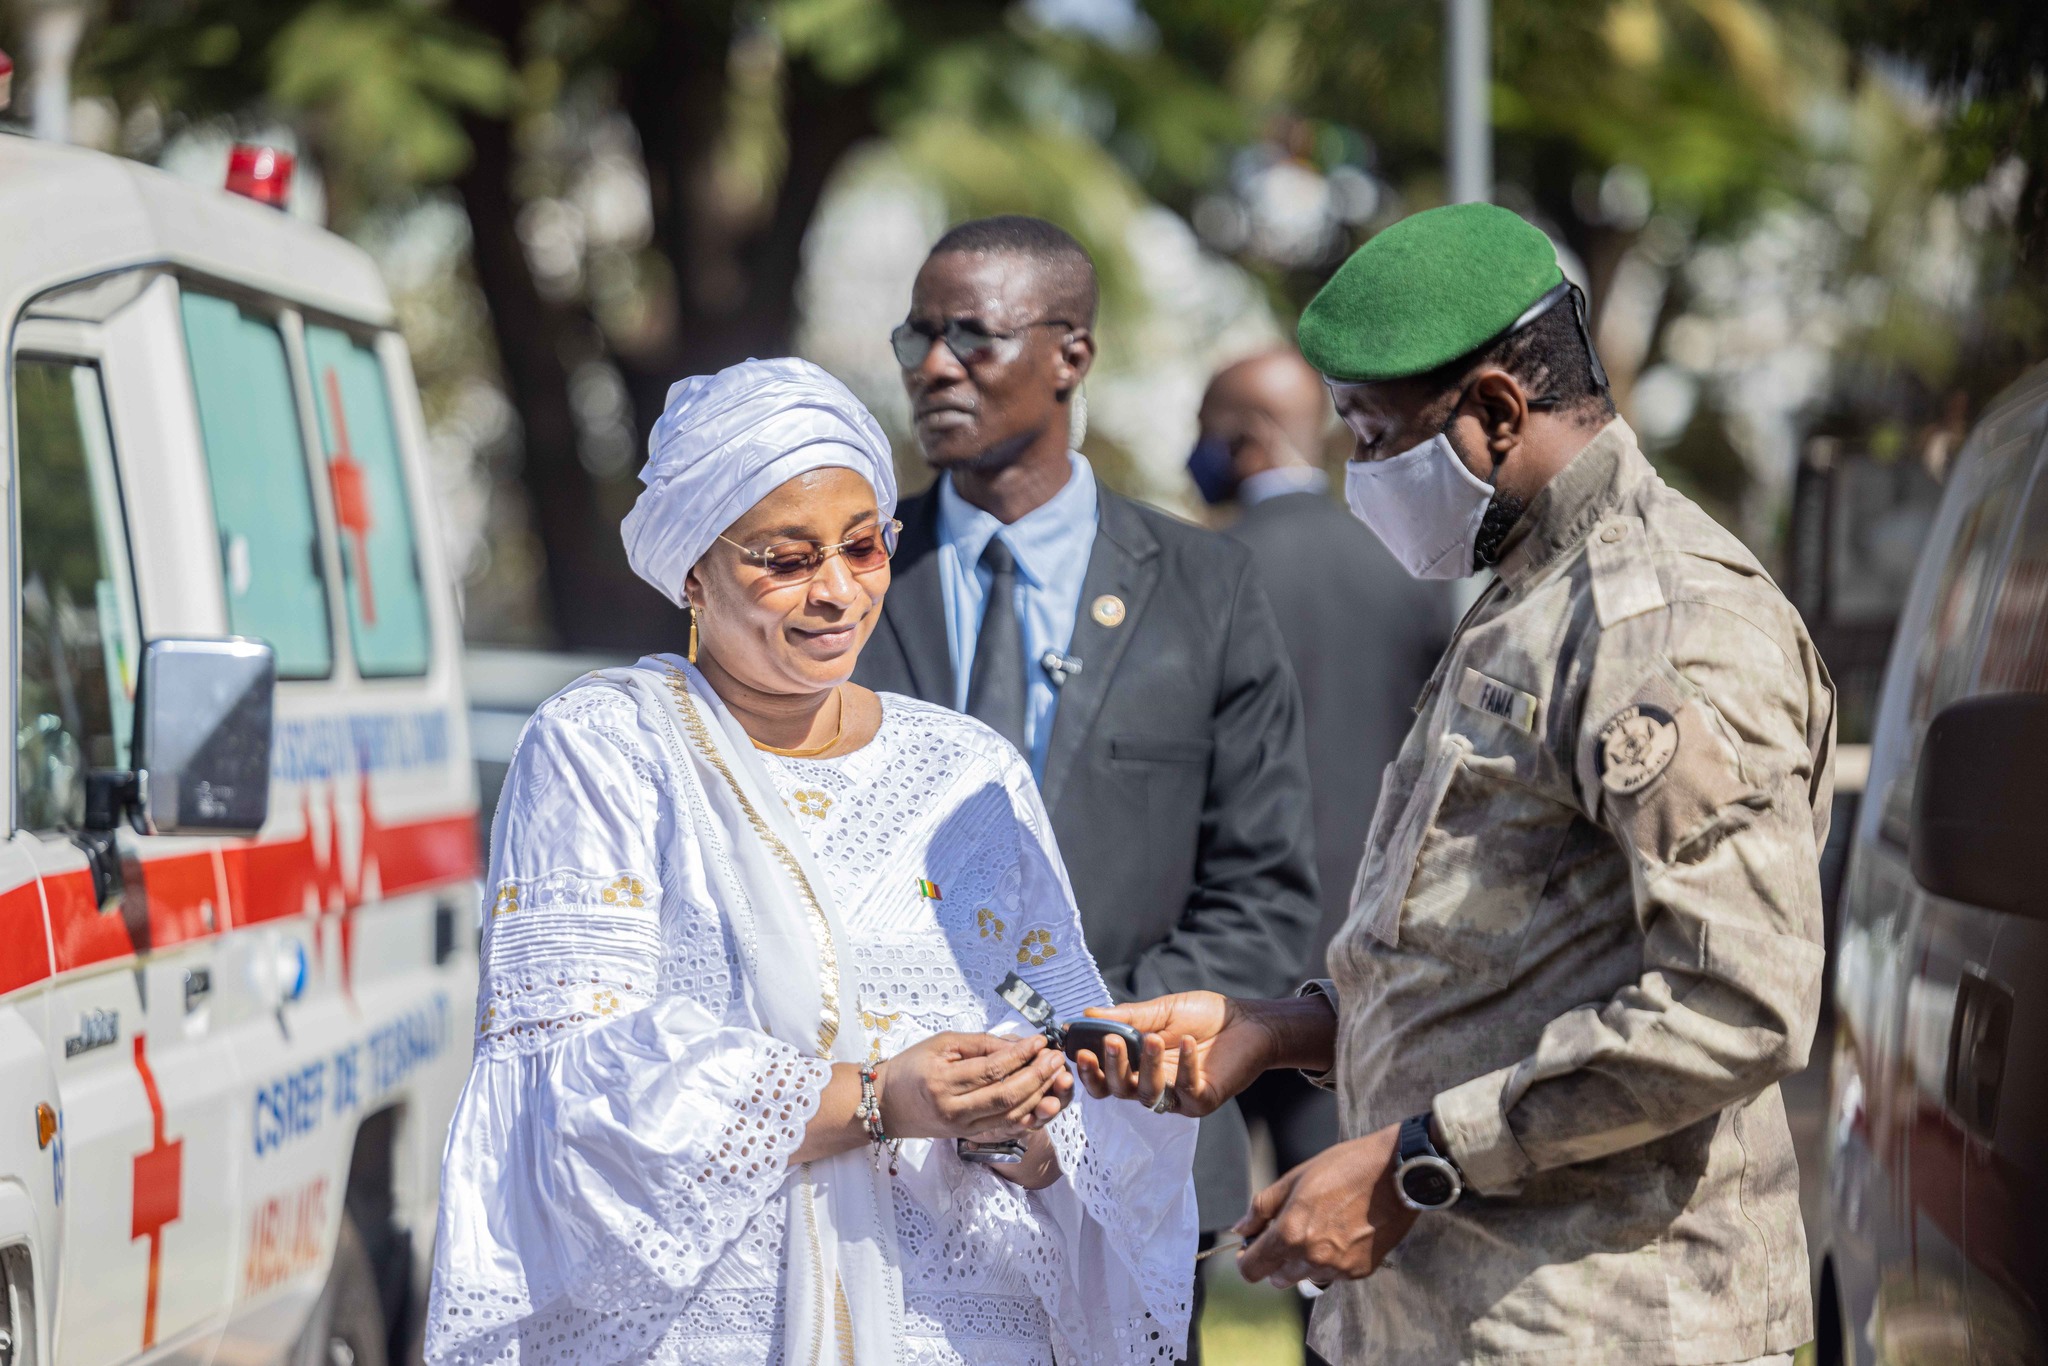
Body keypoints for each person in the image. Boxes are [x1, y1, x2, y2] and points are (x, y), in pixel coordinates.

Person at [1080, 203, 1836, 1366]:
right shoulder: (1530, 592)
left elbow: (1733, 1002)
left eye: (1374, 437)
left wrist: (1413, 1160)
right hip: (1445, 1319)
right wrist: (1280, 1031)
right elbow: (1507, 951)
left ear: (1493, 410)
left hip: (1604, 1326)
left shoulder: (1669, 625)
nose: (1358, 473)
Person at [424, 358, 1199, 1366]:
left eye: (862, 545)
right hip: (704, 1330)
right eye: (784, 559)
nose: (836, 590)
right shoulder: (606, 748)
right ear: (691, 571)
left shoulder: (965, 771)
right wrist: (879, 1098)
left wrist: (1024, 1123)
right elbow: (577, 1084)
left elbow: (1062, 1046)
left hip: (958, 1327)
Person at [851, 216, 1321, 1343]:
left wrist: (1076, 1047)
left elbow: (1261, 897)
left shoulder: (1205, 588)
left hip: (1126, 1159)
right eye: (917, 334)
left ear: (1071, 354)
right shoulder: (850, 580)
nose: (932, 364)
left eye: (972, 334)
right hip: (881, 1173)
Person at [1188, 348, 1455, 1363]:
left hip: (1212, 987)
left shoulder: (1200, 566)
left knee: (1180, 1274)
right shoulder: (1400, 572)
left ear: (1239, 438)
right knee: (1337, 1281)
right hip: (1349, 980)